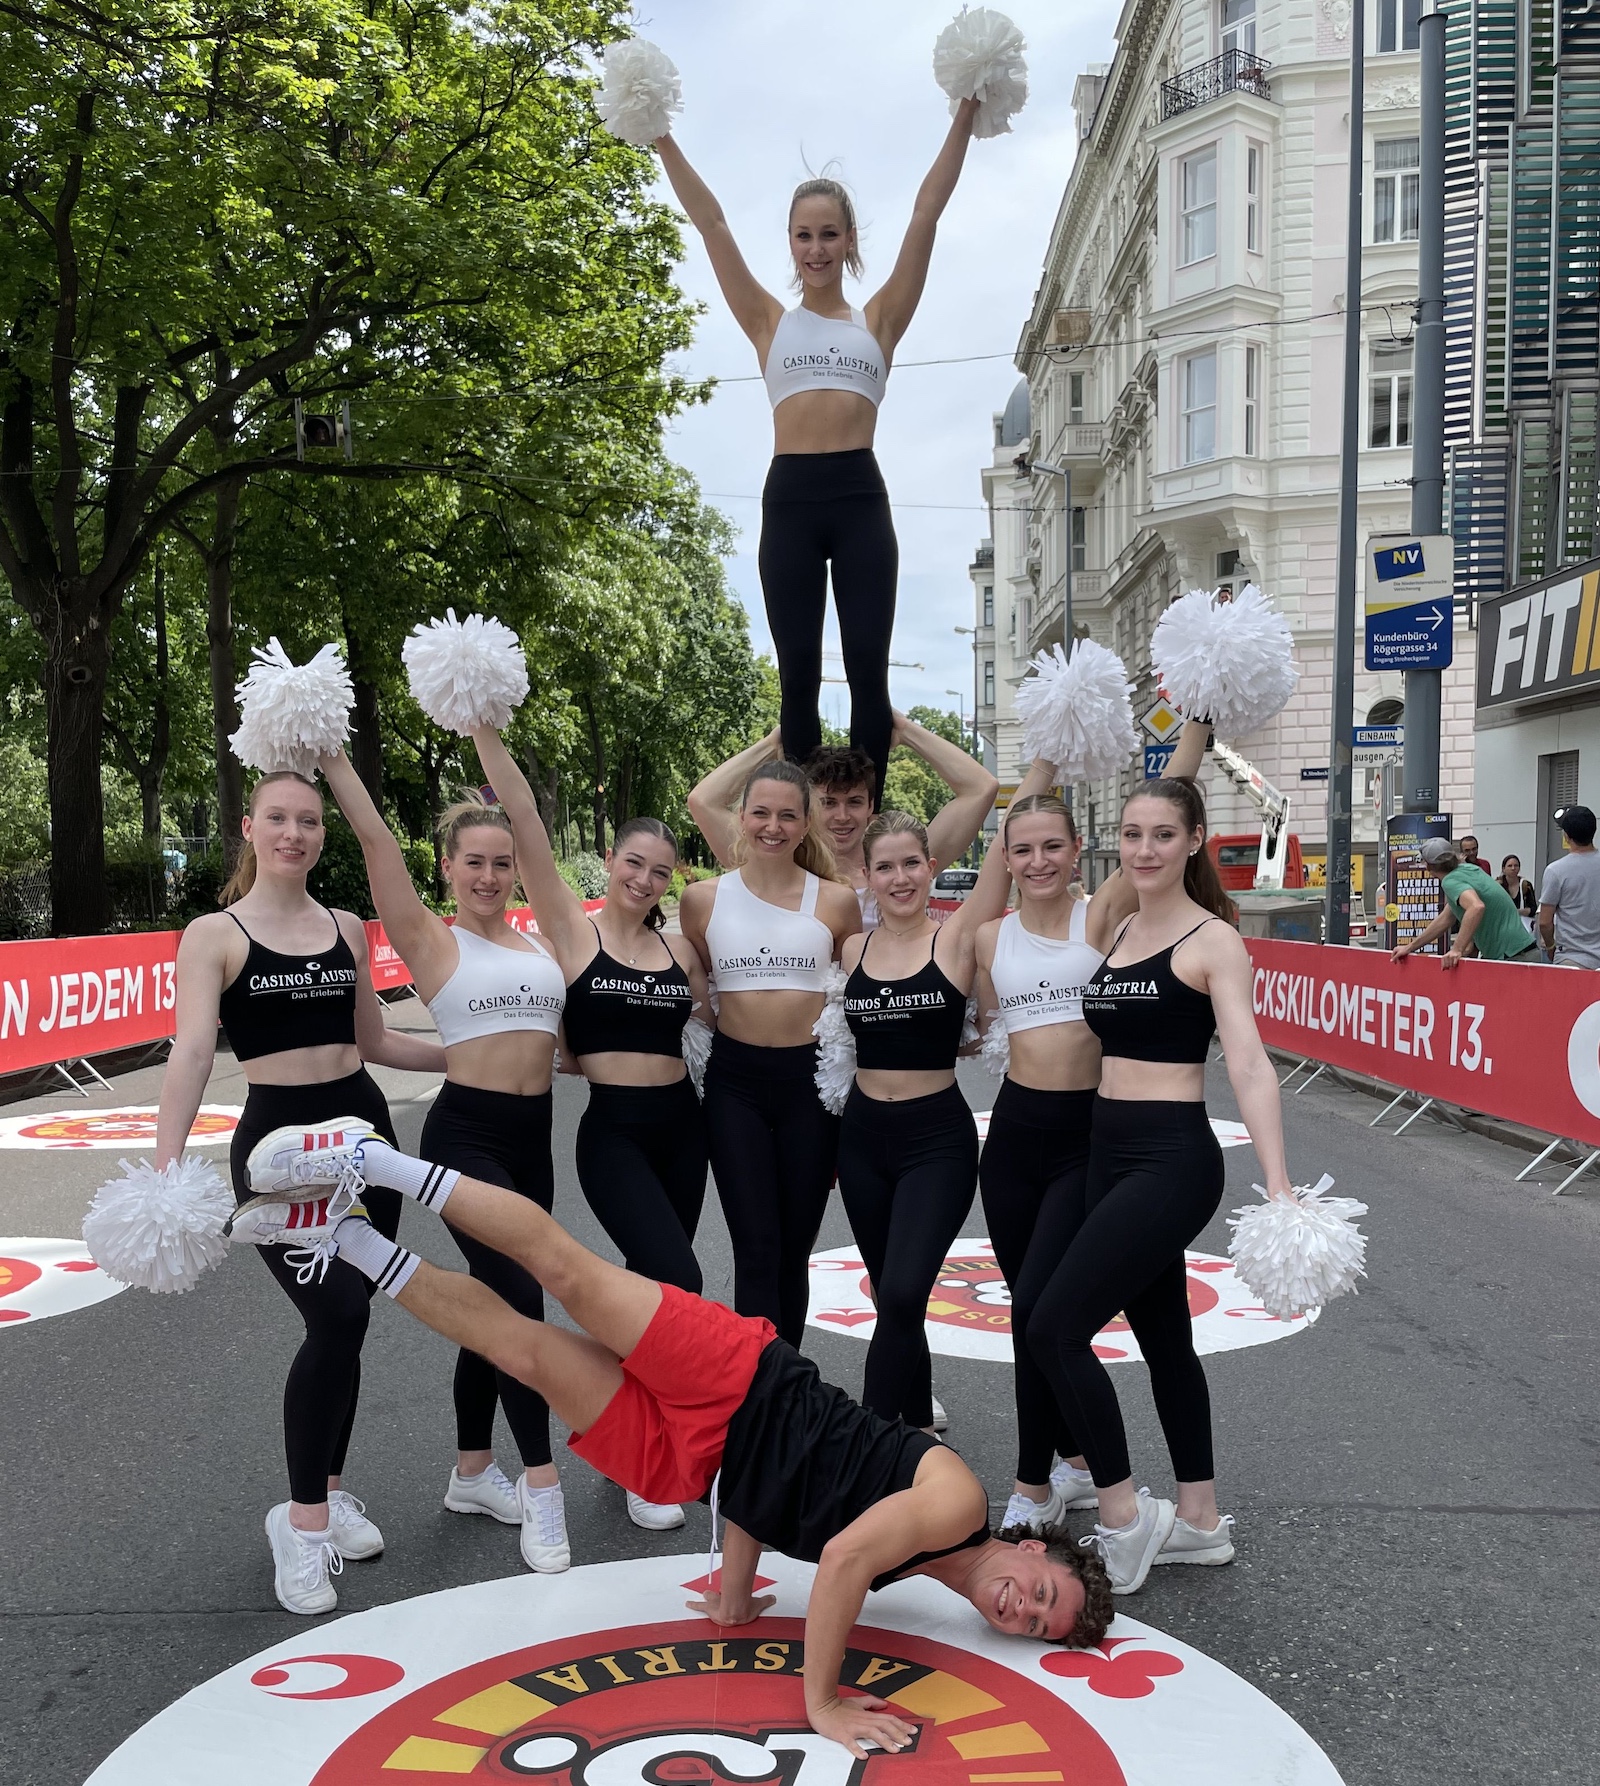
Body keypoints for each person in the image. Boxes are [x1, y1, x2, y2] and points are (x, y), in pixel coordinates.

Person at [225, 1127, 1113, 1759]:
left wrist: (734, 1594)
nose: (1022, 1608)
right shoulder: (958, 1506)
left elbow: (791, 1493)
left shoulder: (928, 1571)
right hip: (740, 1380)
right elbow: (839, 1555)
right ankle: (367, 1159)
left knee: (520, 1351)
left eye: (1037, 1624)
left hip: (709, 1468)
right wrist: (825, 1703)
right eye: (1042, 1591)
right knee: (567, 1271)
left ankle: (342, 1235)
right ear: (1033, 1547)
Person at [152, 769, 445, 1615]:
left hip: (364, 1141)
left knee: (352, 1319)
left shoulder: (348, 926)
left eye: (309, 821)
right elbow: (193, 1053)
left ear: (323, 834)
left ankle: (328, 1487)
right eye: (278, 818)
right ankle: (302, 1524)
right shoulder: (214, 933)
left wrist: (473, 1058)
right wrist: (168, 1168)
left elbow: (378, 1039)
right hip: (279, 1153)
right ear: (247, 827)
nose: (294, 833)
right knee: (336, 1316)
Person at [654, 104, 984, 798]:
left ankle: (862, 825)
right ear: (791, 243)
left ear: (849, 239)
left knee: (869, 672)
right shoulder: (768, 320)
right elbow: (711, 224)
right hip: (792, 501)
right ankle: (800, 830)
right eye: (803, 235)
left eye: (829, 234)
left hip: (861, 496)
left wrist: (963, 113)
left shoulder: (880, 319)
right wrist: (660, 134)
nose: (816, 248)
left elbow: (928, 212)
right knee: (797, 676)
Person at [1028, 777, 1298, 1595]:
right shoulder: (1120, 925)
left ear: (1194, 840)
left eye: (1161, 835)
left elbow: (1249, 1062)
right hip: (1105, 1152)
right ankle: (1202, 1519)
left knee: (1053, 1328)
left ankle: (1122, 1515)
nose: (1144, 849)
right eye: (1133, 833)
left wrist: (1279, 1185)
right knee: (1164, 1338)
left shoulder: (1215, 939)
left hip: (1173, 1158)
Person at [320, 750, 574, 1572]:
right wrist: (332, 752)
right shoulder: (430, 939)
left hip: (534, 1141)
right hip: (465, 1140)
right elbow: (371, 838)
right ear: (449, 867)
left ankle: (471, 1471)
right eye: (476, 862)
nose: (492, 875)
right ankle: (542, 1485)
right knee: (518, 1303)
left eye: (504, 863)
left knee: (491, 1302)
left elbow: (552, 1047)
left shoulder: (540, 947)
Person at [466, 724, 715, 1530]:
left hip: (686, 1126)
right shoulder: (574, 933)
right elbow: (529, 827)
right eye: (633, 863)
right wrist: (485, 729)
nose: (645, 879)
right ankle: (643, 1456)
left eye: (660, 871)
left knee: (657, 1292)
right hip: (613, 1134)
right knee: (679, 1277)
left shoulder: (682, 947)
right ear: (610, 863)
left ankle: (642, 1443)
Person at [833, 791, 1025, 1434]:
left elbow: (1002, 852)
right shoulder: (852, 951)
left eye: (910, 864)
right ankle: (915, 1422)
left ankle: (868, 1448)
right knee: (890, 1292)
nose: (899, 879)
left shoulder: (957, 938)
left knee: (905, 1292)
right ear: (866, 876)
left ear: (932, 865)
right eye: (884, 867)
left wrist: (1046, 759)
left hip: (934, 1140)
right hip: (861, 1137)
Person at [679, 761, 861, 1345]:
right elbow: (697, 994)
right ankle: (759, 1398)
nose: (773, 826)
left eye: (788, 815)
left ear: (806, 824)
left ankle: (790, 1399)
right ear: (741, 817)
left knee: (792, 1252)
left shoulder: (836, 902)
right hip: (734, 1086)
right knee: (755, 1249)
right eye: (761, 812)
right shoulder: (702, 900)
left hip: (808, 1089)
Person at [689, 711, 998, 927]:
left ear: (870, 806)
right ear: (809, 809)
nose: (842, 816)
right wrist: (771, 745)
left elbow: (981, 788)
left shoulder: (898, 868)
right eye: (828, 803)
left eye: (854, 802)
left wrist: (904, 730)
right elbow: (703, 801)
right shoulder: (775, 864)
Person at [1392, 838, 1542, 968]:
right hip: (1523, 952)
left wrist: (1457, 949)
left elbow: (1476, 907)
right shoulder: (1468, 869)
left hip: (1512, 956)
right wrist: (1410, 947)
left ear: (1429, 867)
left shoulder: (1450, 881)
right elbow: (1446, 919)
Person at [1539, 805, 1600, 968]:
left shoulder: (1556, 870)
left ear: (1566, 836)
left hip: (1572, 959)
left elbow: (1545, 922)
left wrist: (1551, 947)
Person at [1497, 854, 1536, 921]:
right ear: (1503, 869)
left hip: (1521, 922)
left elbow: (1533, 909)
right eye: (1510, 866)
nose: (1513, 868)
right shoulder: (1497, 886)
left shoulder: (1526, 885)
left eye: (1516, 865)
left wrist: (1519, 912)